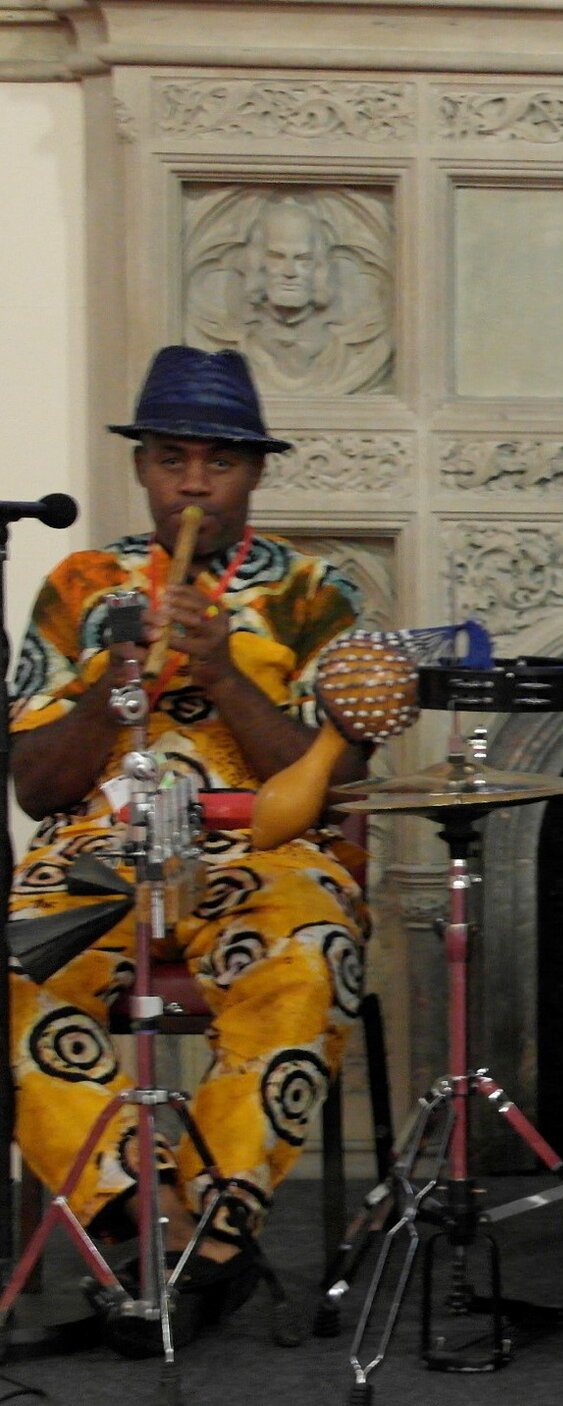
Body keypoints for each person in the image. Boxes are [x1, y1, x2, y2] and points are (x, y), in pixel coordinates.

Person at [7, 345, 369, 1344]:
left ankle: (212, 1241)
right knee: (9, 967)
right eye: (172, 460)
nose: (195, 485)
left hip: (262, 851)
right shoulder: (82, 583)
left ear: (255, 473)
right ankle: (149, 1218)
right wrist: (114, 683)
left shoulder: (316, 591)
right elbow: (36, 785)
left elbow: (336, 784)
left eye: (221, 462)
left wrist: (222, 671)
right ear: (141, 468)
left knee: (309, 959)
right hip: (100, 848)